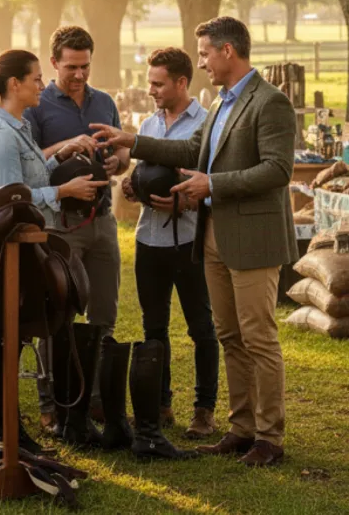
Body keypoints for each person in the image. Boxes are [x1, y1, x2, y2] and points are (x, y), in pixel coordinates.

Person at [92, 16, 297, 467]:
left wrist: (213, 185)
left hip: (253, 238)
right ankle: (241, 429)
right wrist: (133, 141)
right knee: (229, 335)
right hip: (214, 236)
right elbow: (190, 151)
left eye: (204, 53)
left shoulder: (271, 102)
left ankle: (270, 436)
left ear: (228, 51)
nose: (200, 62)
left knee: (258, 337)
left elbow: (278, 170)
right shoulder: (221, 102)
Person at [0, 49, 108, 451]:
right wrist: (63, 191)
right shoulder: (1, 135)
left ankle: (68, 421)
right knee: (7, 340)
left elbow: (30, 178)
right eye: (35, 78)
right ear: (14, 85)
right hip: (13, 250)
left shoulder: (17, 127)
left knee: (45, 327)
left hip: (33, 245)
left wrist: (59, 159)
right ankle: (6, 431)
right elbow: (13, 198)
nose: (41, 85)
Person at [24, 25, 128, 431]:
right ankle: (52, 404)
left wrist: (118, 161)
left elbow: (122, 152)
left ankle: (96, 399)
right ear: (54, 63)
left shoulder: (104, 101)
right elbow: (30, 164)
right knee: (57, 316)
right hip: (61, 225)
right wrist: (63, 148)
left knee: (104, 314)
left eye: (85, 66)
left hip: (102, 221)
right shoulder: (37, 106)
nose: (80, 74)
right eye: (71, 67)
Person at [121, 47, 219, 439]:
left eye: (158, 84)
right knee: (153, 327)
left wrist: (188, 201)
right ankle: (160, 406)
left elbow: (216, 184)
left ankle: (204, 410)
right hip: (148, 239)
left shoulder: (207, 125)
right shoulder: (147, 124)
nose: (151, 90)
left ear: (181, 82)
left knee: (201, 328)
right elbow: (142, 174)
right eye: (150, 83)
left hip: (189, 240)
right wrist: (133, 186)